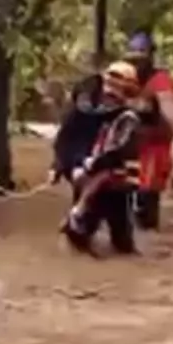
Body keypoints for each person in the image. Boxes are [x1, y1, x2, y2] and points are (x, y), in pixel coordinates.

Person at [59, 61, 146, 256]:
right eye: (110, 87)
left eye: (119, 89)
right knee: (78, 236)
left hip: (116, 182)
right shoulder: (81, 111)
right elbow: (65, 142)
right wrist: (71, 165)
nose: (111, 94)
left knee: (123, 243)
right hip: (86, 178)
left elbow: (117, 152)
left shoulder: (128, 118)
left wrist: (89, 166)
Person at [122, 32, 173, 230]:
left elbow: (169, 105)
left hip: (153, 145)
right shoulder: (121, 78)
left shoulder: (159, 80)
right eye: (133, 58)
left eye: (141, 57)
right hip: (127, 143)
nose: (137, 63)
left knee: (147, 195)